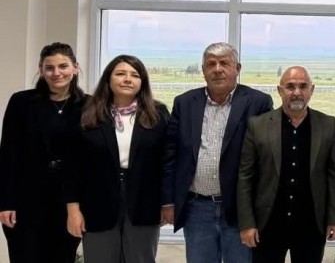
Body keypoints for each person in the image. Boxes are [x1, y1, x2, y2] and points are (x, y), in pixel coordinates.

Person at [162, 42, 273, 263]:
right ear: (203, 70)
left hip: (240, 210)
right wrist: (168, 201)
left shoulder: (258, 102)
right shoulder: (184, 103)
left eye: (224, 63)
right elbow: (170, 156)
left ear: (237, 68)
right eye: (211, 64)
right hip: (196, 209)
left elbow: (266, 160)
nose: (217, 69)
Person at [64, 54, 172, 263]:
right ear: (108, 79)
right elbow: (73, 165)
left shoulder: (157, 114)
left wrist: (166, 202)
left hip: (144, 203)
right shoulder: (87, 113)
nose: (128, 79)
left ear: (142, 82)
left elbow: (166, 162)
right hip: (96, 203)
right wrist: (73, 209)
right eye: (120, 74)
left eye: (135, 75)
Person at [237, 66, 335, 263]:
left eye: (303, 86)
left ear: (312, 90)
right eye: (290, 86)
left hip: (311, 225)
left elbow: (334, 176)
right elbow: (245, 177)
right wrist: (247, 223)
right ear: (280, 90)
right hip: (267, 224)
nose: (297, 92)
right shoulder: (258, 125)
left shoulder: (327, 125)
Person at [0, 43, 86, 262]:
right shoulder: (21, 102)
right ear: (41, 70)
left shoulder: (89, 105)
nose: (57, 73)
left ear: (75, 68)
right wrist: (6, 202)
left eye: (63, 66)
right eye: (49, 67)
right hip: (26, 199)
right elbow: (8, 154)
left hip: (70, 201)